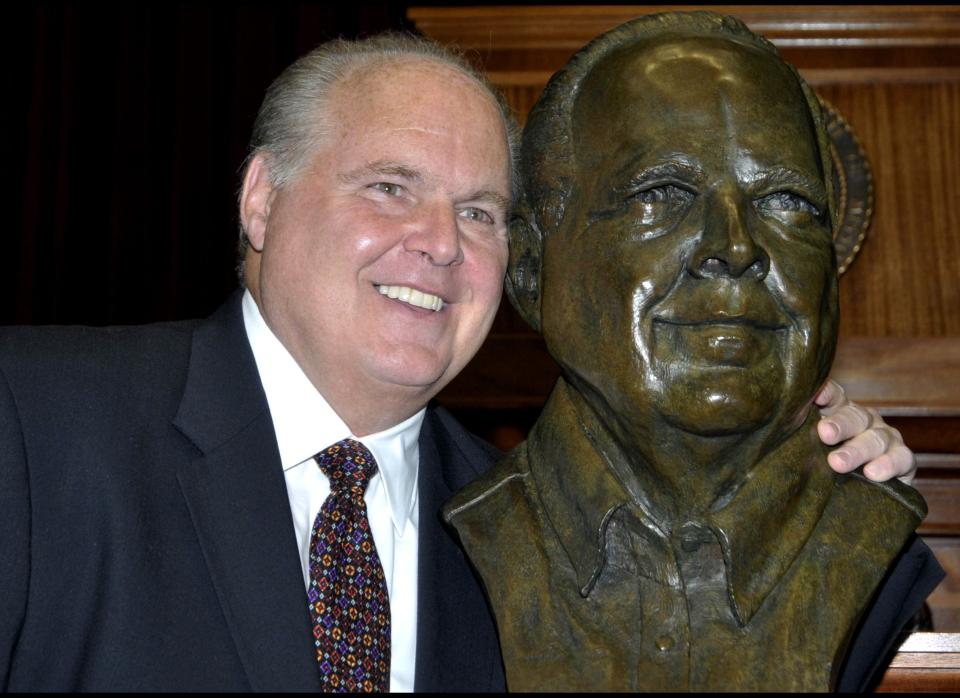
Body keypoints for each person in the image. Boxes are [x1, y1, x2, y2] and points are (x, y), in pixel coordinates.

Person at [0, 31, 918, 692]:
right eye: (391, 188)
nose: (439, 244)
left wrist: (817, 456)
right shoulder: (34, 424)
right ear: (260, 202)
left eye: (479, 211)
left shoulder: (511, 532)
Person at [445, 12, 943, 692]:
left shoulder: (874, 549)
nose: (736, 248)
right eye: (663, 195)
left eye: (789, 202)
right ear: (533, 271)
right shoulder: (432, 535)